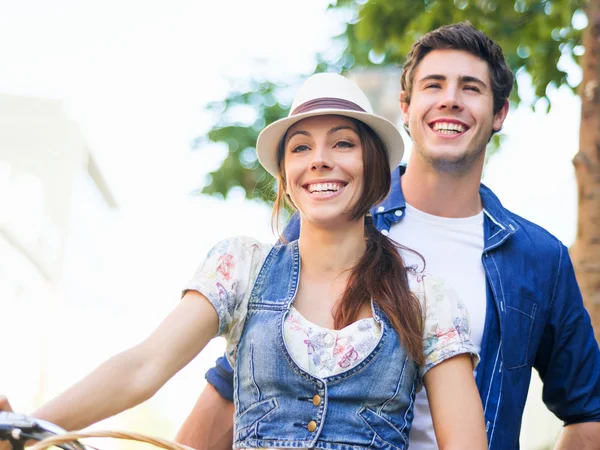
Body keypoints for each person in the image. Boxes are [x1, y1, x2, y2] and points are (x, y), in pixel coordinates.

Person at [0, 73, 486, 450]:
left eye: (342, 143)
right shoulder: (242, 268)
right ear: (286, 177)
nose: (318, 159)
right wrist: (27, 426)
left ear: (374, 167)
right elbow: (142, 366)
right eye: (300, 148)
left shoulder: (428, 300)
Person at [174, 23, 600, 450]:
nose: (450, 99)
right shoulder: (333, 215)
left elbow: (588, 413)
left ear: (500, 113)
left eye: (470, 88)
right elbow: (245, 375)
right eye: (434, 85)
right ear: (406, 107)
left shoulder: (538, 258)